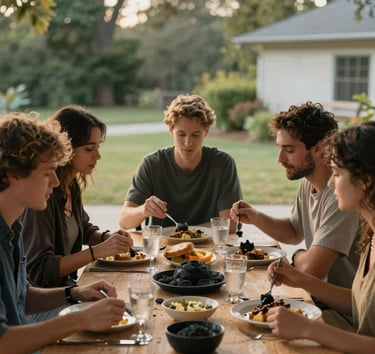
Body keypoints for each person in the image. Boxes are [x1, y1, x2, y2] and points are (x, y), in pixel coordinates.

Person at [0, 112, 125, 354]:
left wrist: (73, 293)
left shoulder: (12, 228)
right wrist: (77, 318)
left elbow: (21, 297)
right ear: (13, 175)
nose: (56, 183)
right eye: (47, 173)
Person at [230, 102, 360, 328]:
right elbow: (293, 231)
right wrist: (255, 216)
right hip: (317, 301)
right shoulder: (309, 183)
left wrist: (297, 256)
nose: (280, 158)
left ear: (319, 148)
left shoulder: (341, 196)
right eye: (280, 148)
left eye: (289, 150)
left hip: (343, 315)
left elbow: (311, 270)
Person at [266, 121, 375, 354]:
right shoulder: (371, 235)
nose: (329, 181)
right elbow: (362, 304)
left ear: (365, 180)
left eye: (336, 173)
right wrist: (302, 281)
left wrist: (309, 329)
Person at [22, 105, 133, 288]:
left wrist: (107, 238)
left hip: (68, 289)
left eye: (98, 147)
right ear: (67, 148)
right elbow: (39, 270)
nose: (98, 156)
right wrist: (96, 252)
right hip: (44, 299)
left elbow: (83, 228)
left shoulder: (70, 184)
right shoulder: (43, 196)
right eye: (89, 149)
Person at [118, 94, 242, 233]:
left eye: (195, 135)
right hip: (165, 248)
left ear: (206, 132)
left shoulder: (223, 163)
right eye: (181, 134)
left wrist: (186, 232)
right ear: (171, 130)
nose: (188, 142)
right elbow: (124, 221)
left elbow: (230, 225)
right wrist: (143, 210)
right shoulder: (152, 164)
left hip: (210, 249)